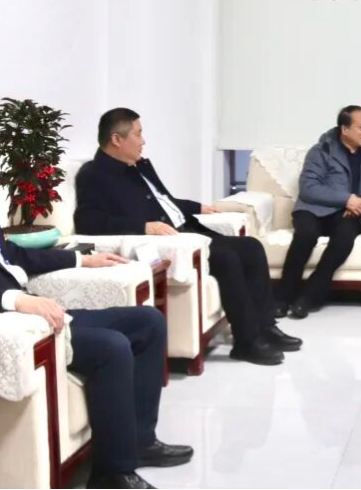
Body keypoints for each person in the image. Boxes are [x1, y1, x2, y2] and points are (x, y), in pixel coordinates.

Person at [0, 118, 193, 490]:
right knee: (112, 347)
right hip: (9, 322)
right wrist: (14, 299)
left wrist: (79, 259)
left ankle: (141, 441)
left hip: (31, 311)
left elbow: (9, 255)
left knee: (148, 321)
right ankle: (113, 473)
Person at [74, 108, 301, 367]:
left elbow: (164, 201)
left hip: (188, 231)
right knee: (226, 257)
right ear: (116, 139)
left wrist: (197, 207)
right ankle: (246, 342)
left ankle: (266, 326)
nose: (143, 140)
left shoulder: (137, 166)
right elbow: (88, 221)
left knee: (251, 246)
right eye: (137, 134)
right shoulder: (93, 175)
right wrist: (144, 226)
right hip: (169, 243)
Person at [278, 106, 361, 320]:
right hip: (312, 209)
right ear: (345, 129)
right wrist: (346, 199)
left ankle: (308, 297)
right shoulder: (321, 151)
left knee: (344, 238)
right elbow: (308, 188)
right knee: (305, 235)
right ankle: (282, 298)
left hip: (345, 214)